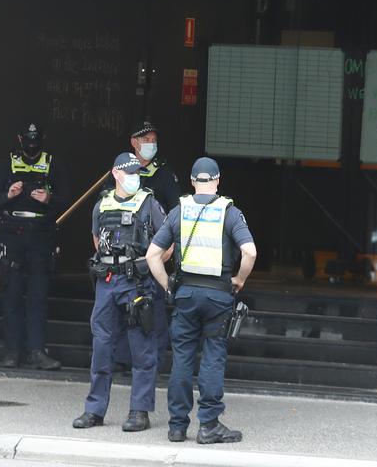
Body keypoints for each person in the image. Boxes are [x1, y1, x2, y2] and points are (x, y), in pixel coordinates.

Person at [146, 157, 256, 445]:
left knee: (182, 358)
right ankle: (208, 425)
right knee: (212, 357)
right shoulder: (229, 212)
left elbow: (152, 255)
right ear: (218, 181)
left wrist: (166, 286)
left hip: (185, 295)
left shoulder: (179, 210)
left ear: (193, 181)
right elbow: (250, 252)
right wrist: (240, 279)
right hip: (218, 295)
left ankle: (177, 426)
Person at [72, 152, 168, 433]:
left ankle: (139, 411)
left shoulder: (149, 202)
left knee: (142, 348)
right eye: (130, 172)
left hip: (136, 282)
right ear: (116, 173)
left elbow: (167, 242)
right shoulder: (102, 204)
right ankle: (94, 410)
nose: (135, 176)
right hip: (107, 282)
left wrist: (149, 265)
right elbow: (96, 240)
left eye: (137, 171)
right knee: (101, 346)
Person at [0, 122, 66, 370]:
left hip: (41, 235)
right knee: (12, 295)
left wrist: (49, 199)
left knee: (38, 296)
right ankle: (12, 351)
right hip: (12, 234)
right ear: (20, 139)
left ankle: (37, 351)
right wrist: (8, 195)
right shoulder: (6, 164)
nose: (31, 145)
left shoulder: (53, 164)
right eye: (28, 140)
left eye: (36, 140)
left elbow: (67, 200)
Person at [112, 119, 179, 370]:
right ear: (133, 143)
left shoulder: (163, 173)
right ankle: (122, 359)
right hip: (124, 252)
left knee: (154, 308)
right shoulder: (122, 172)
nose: (151, 144)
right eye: (145, 140)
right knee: (123, 307)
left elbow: (174, 213)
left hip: (153, 252)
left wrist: (169, 249)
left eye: (153, 140)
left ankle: (154, 360)